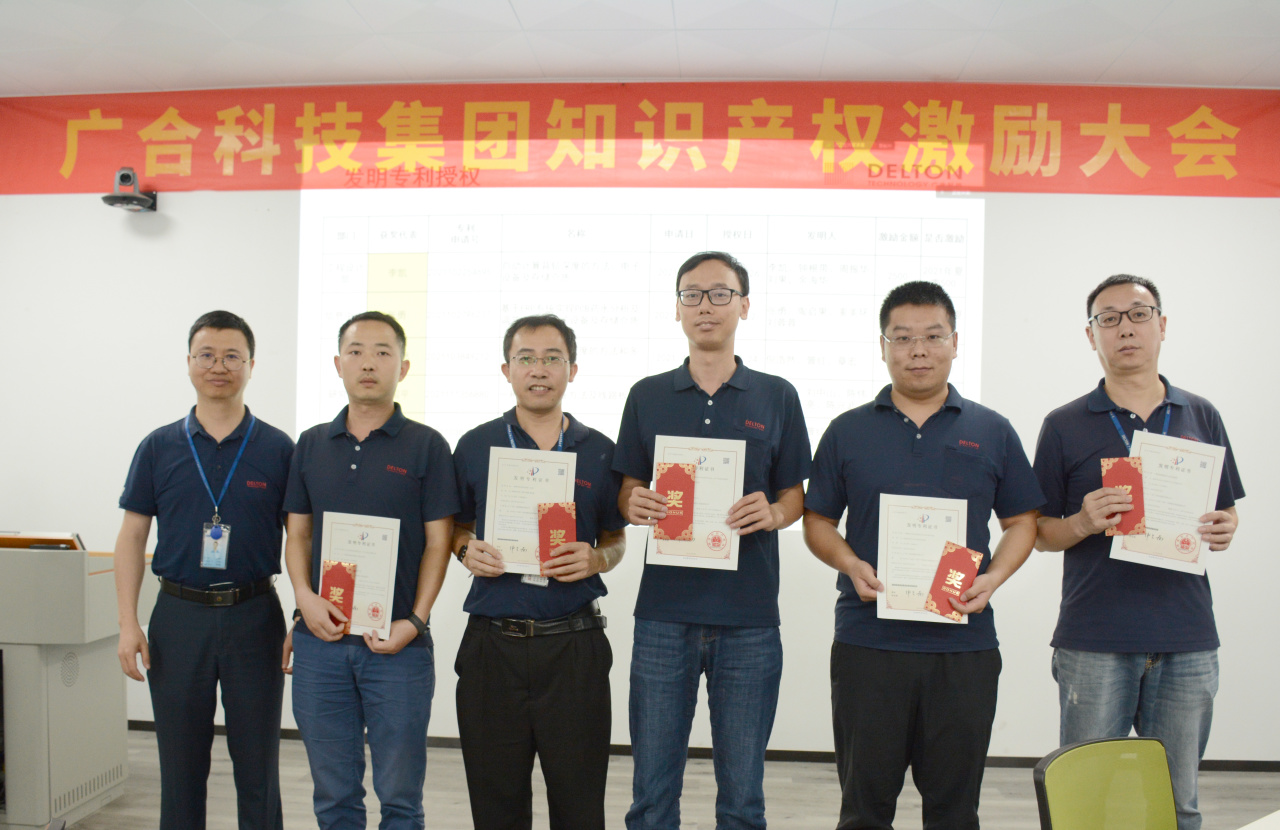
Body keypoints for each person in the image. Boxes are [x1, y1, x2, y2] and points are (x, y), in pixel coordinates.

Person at [802, 281, 1043, 830]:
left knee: (955, 812)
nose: (918, 350)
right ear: (882, 345)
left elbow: (1022, 522)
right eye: (903, 337)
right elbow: (817, 522)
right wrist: (850, 564)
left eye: (933, 336)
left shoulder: (992, 429)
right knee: (863, 811)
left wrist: (994, 577)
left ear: (955, 342)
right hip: (868, 643)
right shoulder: (847, 430)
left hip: (963, 647)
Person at [1032, 274, 1243, 830]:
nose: (1125, 328)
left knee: (1178, 804)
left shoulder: (1201, 414)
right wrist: (1082, 522)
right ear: (1091, 335)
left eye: (1139, 314)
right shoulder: (1063, 424)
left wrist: (1226, 527)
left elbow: (1226, 510)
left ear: (1162, 325)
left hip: (1186, 636)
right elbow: (1038, 532)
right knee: (1085, 803)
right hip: (1095, 638)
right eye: (1109, 318)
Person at [613, 251, 811, 830]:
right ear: (676, 308)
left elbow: (794, 496)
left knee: (743, 797)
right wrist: (634, 502)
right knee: (651, 795)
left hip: (749, 618)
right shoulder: (647, 394)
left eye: (720, 293)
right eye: (692, 294)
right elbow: (627, 488)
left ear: (744, 306)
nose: (706, 306)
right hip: (663, 615)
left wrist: (774, 512)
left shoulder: (777, 395)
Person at [114, 310, 294, 830]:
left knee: (258, 764)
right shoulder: (158, 446)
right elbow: (132, 537)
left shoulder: (279, 449)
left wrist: (302, 615)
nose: (219, 366)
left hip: (254, 614)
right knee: (180, 766)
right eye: (207, 355)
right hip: (178, 617)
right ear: (189, 362)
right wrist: (128, 624)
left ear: (252, 365)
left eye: (232, 356)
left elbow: (302, 539)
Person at [282, 310, 458, 830]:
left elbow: (438, 543)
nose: (368, 363)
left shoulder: (428, 445)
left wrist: (416, 621)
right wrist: (303, 600)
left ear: (403, 368)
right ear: (338, 364)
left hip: (397, 646)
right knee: (334, 796)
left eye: (383, 352)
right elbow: (298, 536)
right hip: (322, 643)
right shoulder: (311, 444)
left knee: (400, 798)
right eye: (356, 351)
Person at [451, 313, 627, 830]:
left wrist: (596, 559)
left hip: (574, 646)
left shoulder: (602, 451)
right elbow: (455, 529)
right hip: (492, 647)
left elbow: (616, 539)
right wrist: (465, 550)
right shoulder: (475, 444)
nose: (539, 369)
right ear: (507, 370)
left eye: (553, 358)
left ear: (573, 370)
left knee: (579, 805)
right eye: (525, 358)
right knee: (496, 805)